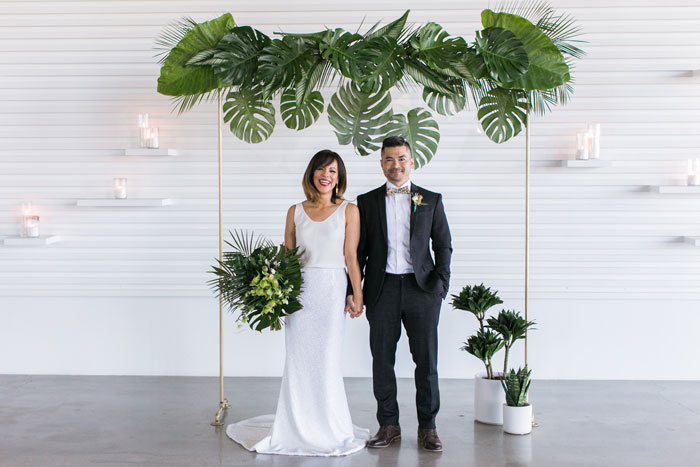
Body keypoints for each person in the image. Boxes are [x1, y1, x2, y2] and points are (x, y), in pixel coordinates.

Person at [226, 150, 369, 456]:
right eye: (320, 169)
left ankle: (329, 426)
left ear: (339, 177)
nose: (326, 175)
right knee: (299, 360)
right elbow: (286, 258)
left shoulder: (350, 211)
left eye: (332, 171)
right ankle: (295, 426)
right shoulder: (295, 211)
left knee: (327, 359)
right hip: (298, 292)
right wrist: (273, 292)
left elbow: (351, 257)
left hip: (331, 290)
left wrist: (358, 295)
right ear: (311, 174)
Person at [347, 136, 452, 452]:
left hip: (422, 290)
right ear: (381, 164)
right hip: (382, 290)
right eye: (389, 159)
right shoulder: (366, 202)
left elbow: (443, 244)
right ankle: (388, 425)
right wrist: (355, 291)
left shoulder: (430, 199)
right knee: (382, 360)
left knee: (426, 361)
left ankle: (428, 428)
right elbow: (357, 251)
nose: (396, 165)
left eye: (401, 158)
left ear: (412, 160)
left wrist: (440, 286)